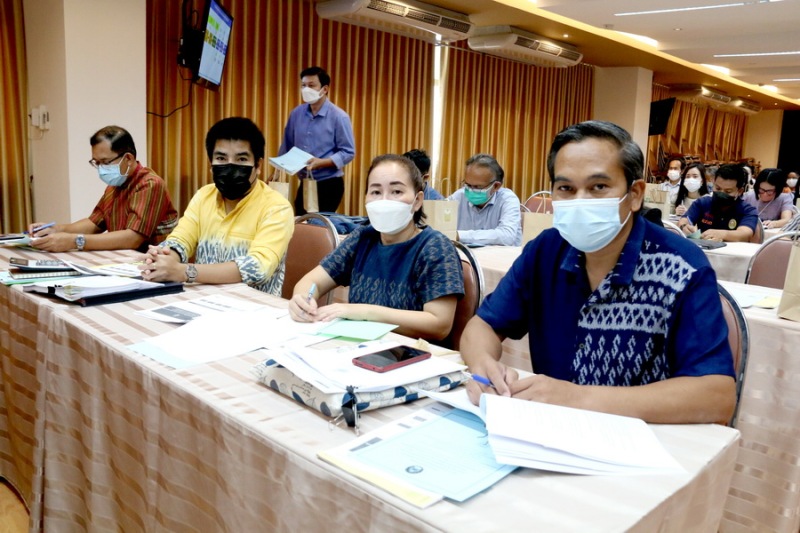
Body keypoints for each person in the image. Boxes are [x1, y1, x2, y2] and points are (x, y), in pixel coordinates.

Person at [460, 120, 735, 425]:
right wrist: (483, 365)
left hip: (643, 438)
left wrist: (576, 398)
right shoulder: (546, 250)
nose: (580, 201)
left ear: (635, 194)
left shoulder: (682, 265)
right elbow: (482, 326)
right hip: (549, 432)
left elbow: (716, 395)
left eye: (598, 187)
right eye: (566, 188)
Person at [289, 154, 464, 341]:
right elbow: (312, 281)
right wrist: (303, 300)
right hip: (358, 346)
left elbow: (439, 324)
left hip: (411, 352)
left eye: (396, 191)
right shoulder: (363, 237)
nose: (384, 200)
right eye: (375, 192)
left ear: (417, 201)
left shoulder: (436, 247)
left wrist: (365, 312)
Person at [141, 117, 294, 295]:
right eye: (221, 158)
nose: (230, 166)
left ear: (258, 165)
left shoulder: (277, 207)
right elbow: (180, 240)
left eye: (241, 159)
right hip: (201, 299)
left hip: (253, 306)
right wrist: (164, 258)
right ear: (210, 165)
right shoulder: (203, 196)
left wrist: (185, 272)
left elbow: (257, 269)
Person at [28, 125, 177, 253]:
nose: (101, 169)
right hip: (123, 261)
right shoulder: (115, 185)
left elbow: (132, 238)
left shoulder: (150, 184)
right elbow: (94, 224)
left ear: (128, 159)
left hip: (152, 264)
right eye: (97, 163)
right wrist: (57, 230)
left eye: (105, 162)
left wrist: (74, 241)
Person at [277, 66, 355, 215]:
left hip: (329, 183)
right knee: (300, 221)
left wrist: (322, 162)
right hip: (306, 182)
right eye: (303, 85)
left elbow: (348, 152)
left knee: (318, 224)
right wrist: (277, 169)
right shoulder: (296, 114)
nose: (306, 89)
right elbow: (287, 145)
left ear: (324, 89)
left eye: (311, 85)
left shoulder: (339, 116)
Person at [447, 154, 521, 246]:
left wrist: (459, 235)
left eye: (477, 187)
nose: (471, 190)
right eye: (468, 185)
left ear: (496, 186)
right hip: (465, 254)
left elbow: (507, 236)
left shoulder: (508, 199)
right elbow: (439, 221)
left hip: (500, 254)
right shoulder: (459, 196)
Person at [679, 164, 759, 242]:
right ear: (713, 183)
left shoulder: (747, 210)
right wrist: (684, 226)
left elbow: (745, 234)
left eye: (728, 191)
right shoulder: (702, 203)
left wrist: (722, 234)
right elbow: (684, 220)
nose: (721, 193)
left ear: (740, 191)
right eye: (718, 188)